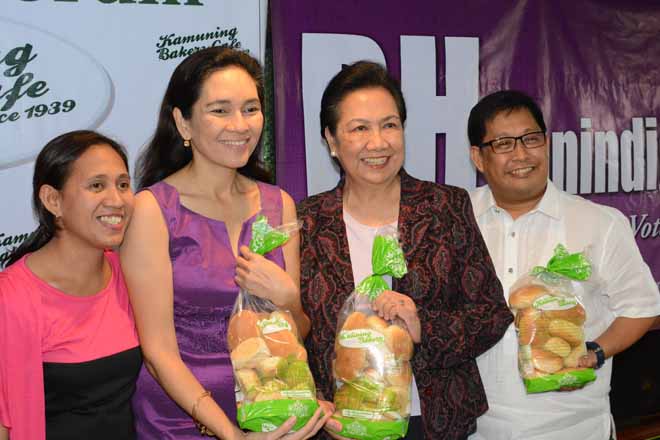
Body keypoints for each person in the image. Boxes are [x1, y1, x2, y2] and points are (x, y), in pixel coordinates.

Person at [120, 46, 331, 440]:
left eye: (251, 109)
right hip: (180, 420)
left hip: (271, 413)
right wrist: (230, 434)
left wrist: (289, 299)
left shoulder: (279, 204)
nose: (240, 125)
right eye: (220, 110)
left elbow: (296, 330)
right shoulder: (153, 210)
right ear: (183, 123)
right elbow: (157, 352)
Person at [296, 61, 513, 440]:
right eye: (359, 128)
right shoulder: (307, 222)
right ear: (331, 140)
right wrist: (314, 401)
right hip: (341, 424)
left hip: (430, 422)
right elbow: (292, 331)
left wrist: (422, 327)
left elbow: (491, 314)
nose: (378, 143)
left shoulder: (444, 207)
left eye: (390, 125)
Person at [467, 90, 660, 440]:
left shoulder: (599, 223)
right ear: (478, 158)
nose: (521, 154)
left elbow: (642, 308)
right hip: (474, 429)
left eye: (531, 139)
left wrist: (595, 352)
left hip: (574, 428)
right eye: (504, 144)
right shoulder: (455, 219)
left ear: (547, 144)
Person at [0, 130, 140, 440]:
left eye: (123, 184)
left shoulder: (129, 275)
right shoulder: (11, 297)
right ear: (53, 200)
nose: (117, 200)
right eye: (96, 185)